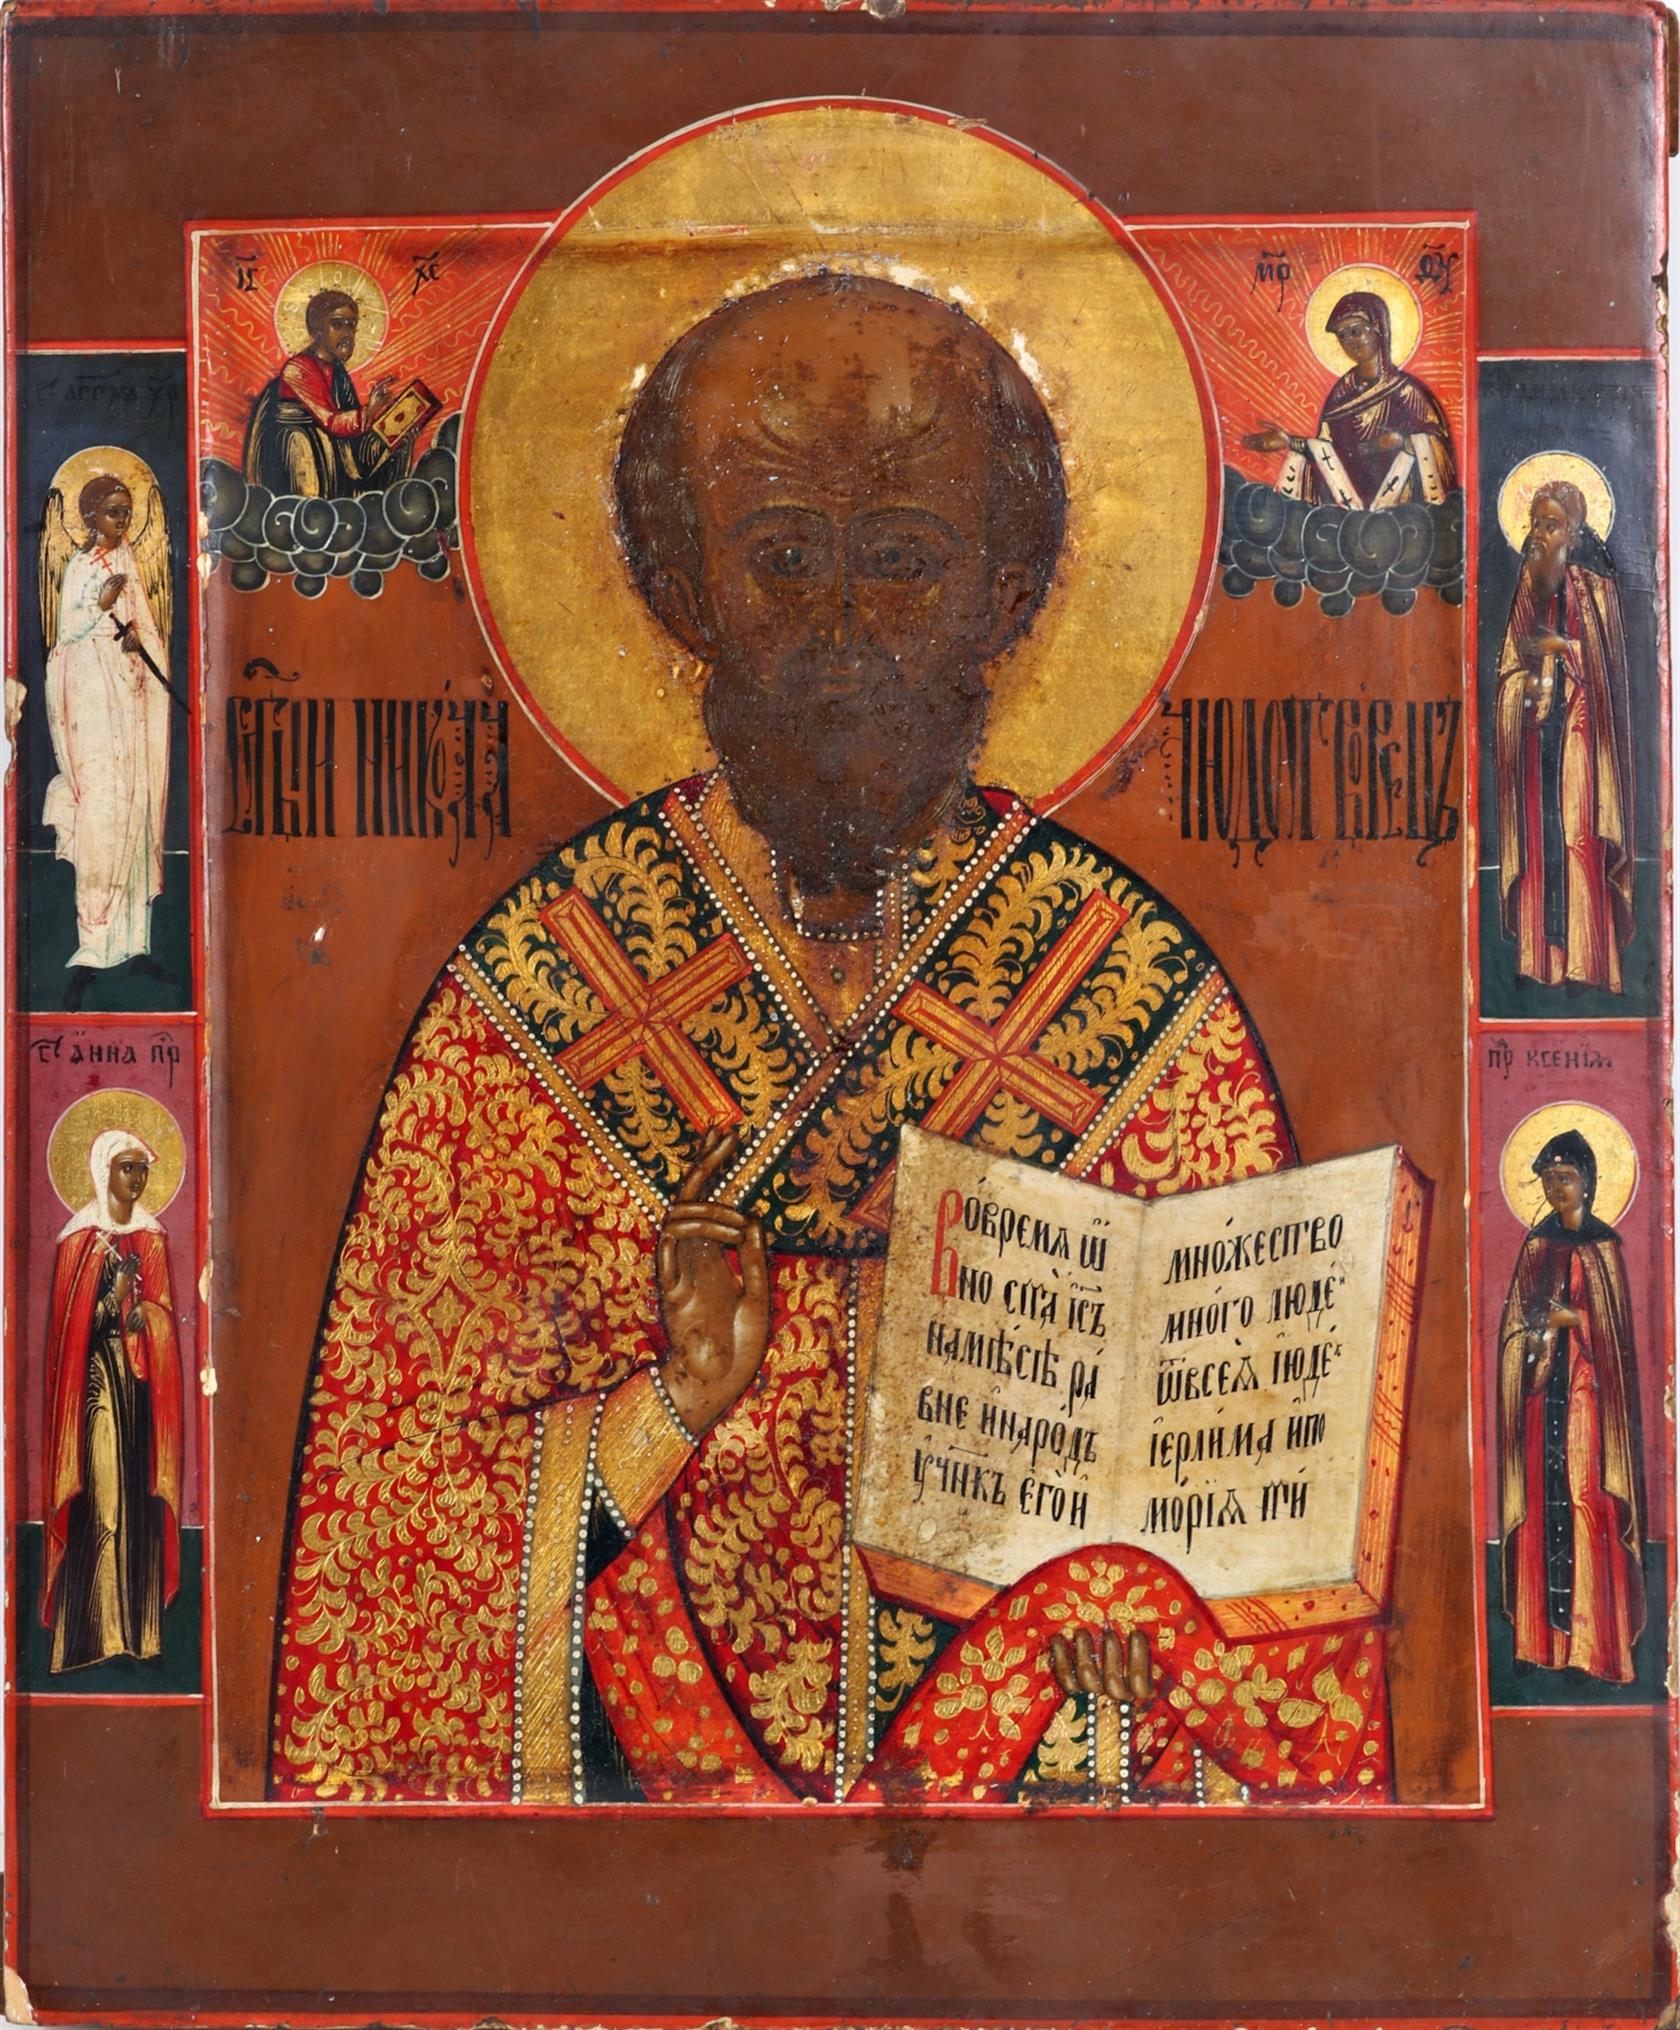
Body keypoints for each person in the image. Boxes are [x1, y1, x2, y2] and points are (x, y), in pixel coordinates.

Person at [272, 274, 1393, 1807]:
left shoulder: (1135, 988)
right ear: (684, 587)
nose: (844, 628)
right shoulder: (541, 988)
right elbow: (398, 1535)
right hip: (650, 1850)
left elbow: (1257, 1518)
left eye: (905, 559)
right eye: (783, 557)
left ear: (1008, 593)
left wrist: (1147, 1606)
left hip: (1027, 1840)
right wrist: (668, 1407)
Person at [1497, 1129, 1643, 1683]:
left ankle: (1592, 1648)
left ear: (1588, 1182)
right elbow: (1515, 1324)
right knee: (1541, 1507)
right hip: (1541, 1397)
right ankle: (1539, 1644)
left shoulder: (1605, 1249)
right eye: (1549, 1179)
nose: (1557, 1188)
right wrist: (1534, 1334)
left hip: (1588, 1405)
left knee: (1587, 1507)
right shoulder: (1536, 1247)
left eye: (1567, 1177)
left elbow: (1616, 1341)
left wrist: (1574, 1320)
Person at [42, 1129, 184, 1673]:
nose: (137, 1179)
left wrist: (145, 1313)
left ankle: (138, 1638)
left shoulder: (152, 1237)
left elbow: (163, 1316)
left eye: (143, 1168)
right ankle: (91, 1638)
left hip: (141, 1390)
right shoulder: (78, 1240)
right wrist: (115, 1299)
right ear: (105, 1172)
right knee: (103, 1503)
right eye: (128, 1168)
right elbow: (69, 1338)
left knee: (137, 1507)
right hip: (96, 1388)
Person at [1494, 480, 1635, 992]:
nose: (1538, 535)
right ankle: (1543, 962)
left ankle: (1587, 964)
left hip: (1582, 731)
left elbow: (1607, 671)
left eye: (1550, 525)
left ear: (1573, 532)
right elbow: (1510, 664)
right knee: (1540, 841)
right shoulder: (1528, 584)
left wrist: (1562, 648)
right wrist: (1523, 685)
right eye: (1535, 523)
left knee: (1579, 835)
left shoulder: (1597, 588)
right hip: (1537, 732)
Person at [42, 475, 171, 1009]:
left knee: (134, 811)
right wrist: (99, 604)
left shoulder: (130, 561)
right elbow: (66, 632)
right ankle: (93, 947)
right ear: (91, 515)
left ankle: (135, 944)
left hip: (131, 698)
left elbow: (143, 626)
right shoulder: (79, 566)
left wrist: (139, 639)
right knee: (102, 820)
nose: (122, 520)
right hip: (93, 701)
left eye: (127, 511)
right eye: (113, 511)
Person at [1244, 291, 1456, 509]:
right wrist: (1290, 442)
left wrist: (1403, 441)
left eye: (1356, 331)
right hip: (1345, 502)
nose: (1349, 342)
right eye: (1342, 336)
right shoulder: (1341, 393)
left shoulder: (1406, 391)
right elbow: (1326, 453)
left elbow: (1436, 445)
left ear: (1378, 328)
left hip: (1399, 501)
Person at [242, 288, 407, 499]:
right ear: (318, 328)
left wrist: (393, 429)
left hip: (330, 459)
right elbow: (332, 422)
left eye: (351, 325)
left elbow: (354, 437)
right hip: (300, 462)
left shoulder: (338, 374)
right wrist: (370, 410)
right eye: (337, 324)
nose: (347, 334)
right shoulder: (299, 368)